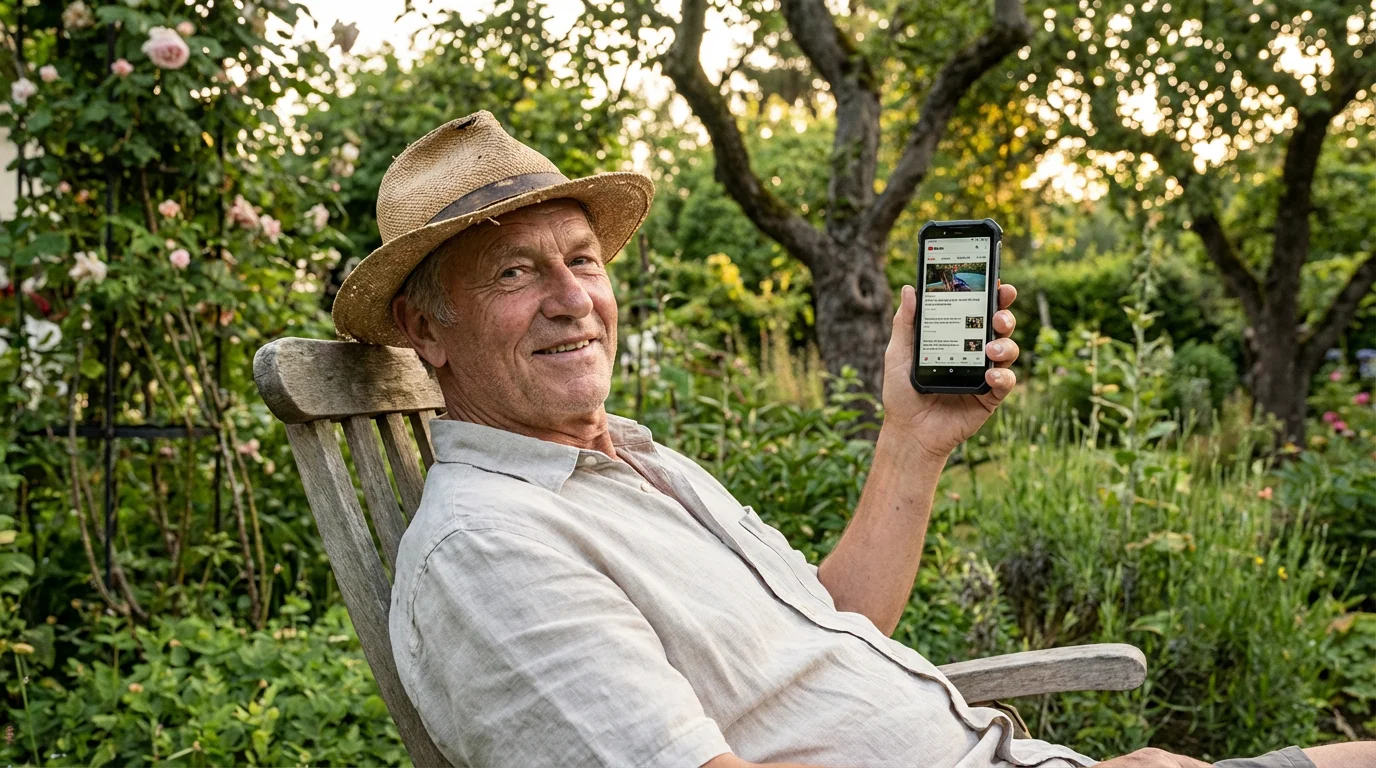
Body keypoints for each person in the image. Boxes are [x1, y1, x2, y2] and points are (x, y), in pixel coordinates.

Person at [331, 112, 1373, 768]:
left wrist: (912, 437)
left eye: (582, 262)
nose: (573, 301)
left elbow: (829, 625)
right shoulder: (488, 555)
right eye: (516, 274)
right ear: (428, 328)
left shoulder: (635, 464)